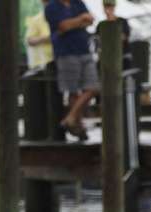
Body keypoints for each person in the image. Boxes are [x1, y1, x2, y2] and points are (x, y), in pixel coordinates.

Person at [46, 0, 98, 139]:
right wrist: (81, 20)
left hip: (85, 50)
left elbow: (91, 20)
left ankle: (70, 117)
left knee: (93, 87)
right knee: (73, 91)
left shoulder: (78, 3)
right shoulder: (52, 6)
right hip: (66, 53)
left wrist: (73, 23)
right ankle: (77, 126)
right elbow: (63, 26)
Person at [25, 5, 55, 70]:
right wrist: (47, 38)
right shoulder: (37, 19)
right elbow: (30, 41)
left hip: (61, 59)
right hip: (43, 63)